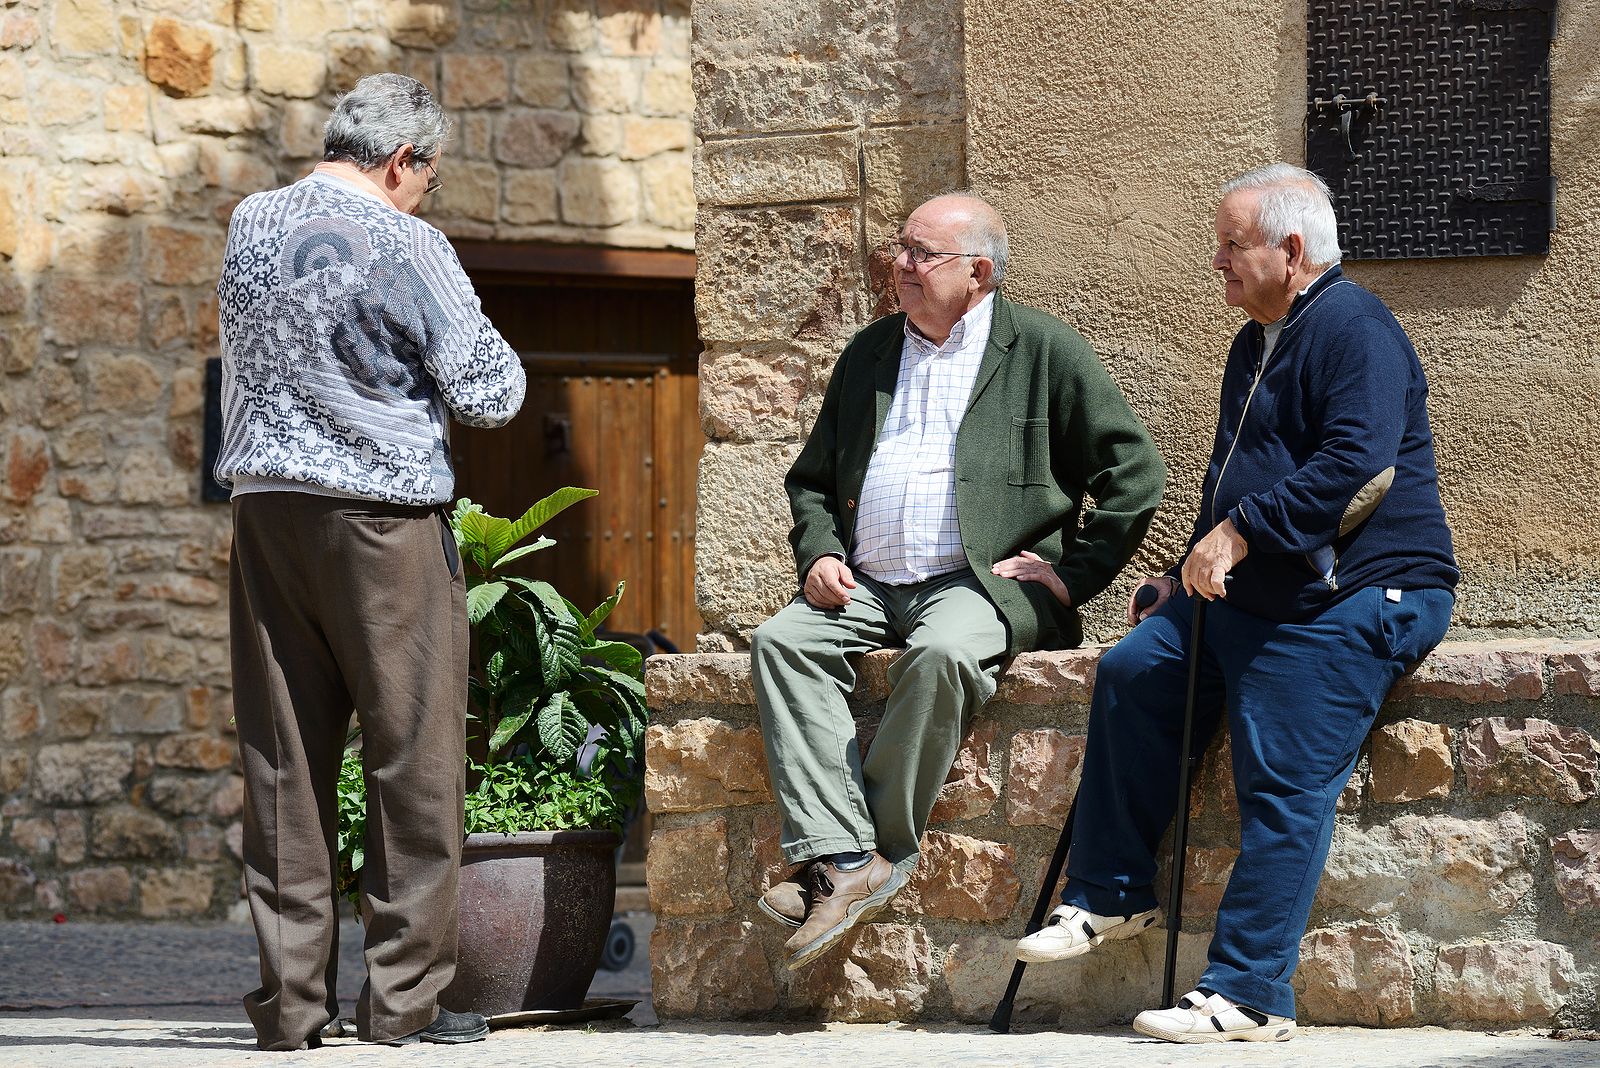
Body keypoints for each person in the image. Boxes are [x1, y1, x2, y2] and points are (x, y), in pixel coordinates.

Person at [1013, 164, 1458, 1044]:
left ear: (1292, 252)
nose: (1215, 260)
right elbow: (1233, 482)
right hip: (1270, 590)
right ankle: (1111, 897)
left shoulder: (1353, 325)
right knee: (1137, 667)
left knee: (1282, 766)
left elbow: (1360, 469)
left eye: (1230, 244)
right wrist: (1185, 572)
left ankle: (1251, 996)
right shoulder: (1258, 335)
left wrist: (1241, 533)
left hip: (1361, 593)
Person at [750, 193, 1167, 969]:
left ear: (977, 272)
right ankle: (845, 859)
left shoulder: (1042, 348)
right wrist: (817, 553)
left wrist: (1073, 577)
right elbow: (809, 480)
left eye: (920, 254)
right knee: (781, 642)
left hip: (974, 585)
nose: (899, 265)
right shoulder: (871, 352)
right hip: (866, 581)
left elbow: (1135, 472)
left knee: (942, 657)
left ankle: (864, 857)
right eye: (900, 248)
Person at [216, 73, 526, 1050]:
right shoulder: (409, 243)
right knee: (413, 764)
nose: (426, 195)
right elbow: (489, 390)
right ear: (403, 162)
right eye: (426, 179)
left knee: (282, 766)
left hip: (267, 517)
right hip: (381, 525)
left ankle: (291, 1009)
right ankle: (401, 1007)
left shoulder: (250, 220)